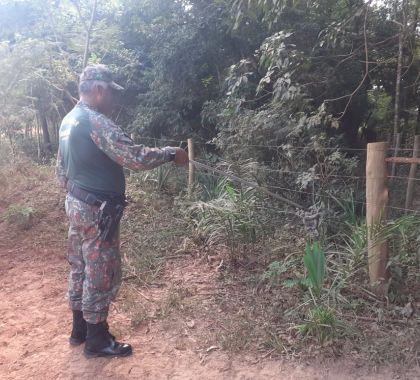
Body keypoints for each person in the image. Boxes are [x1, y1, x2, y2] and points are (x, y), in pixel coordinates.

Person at [56, 64, 189, 358]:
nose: (114, 99)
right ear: (99, 89)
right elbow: (135, 157)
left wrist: (79, 198)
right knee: (100, 270)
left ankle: (79, 330)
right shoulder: (94, 121)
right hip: (95, 210)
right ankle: (97, 339)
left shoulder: (68, 120)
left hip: (77, 205)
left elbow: (60, 171)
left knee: (80, 266)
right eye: (111, 92)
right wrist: (171, 153)